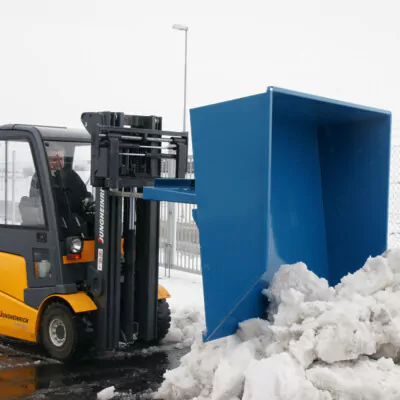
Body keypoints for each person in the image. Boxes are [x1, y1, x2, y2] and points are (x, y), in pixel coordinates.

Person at [29, 144, 95, 230]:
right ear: (47, 160)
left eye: (60, 159)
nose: (58, 163)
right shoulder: (41, 177)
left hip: (74, 219)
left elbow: (83, 192)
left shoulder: (71, 175)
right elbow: (39, 201)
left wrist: (87, 199)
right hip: (54, 223)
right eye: (54, 160)